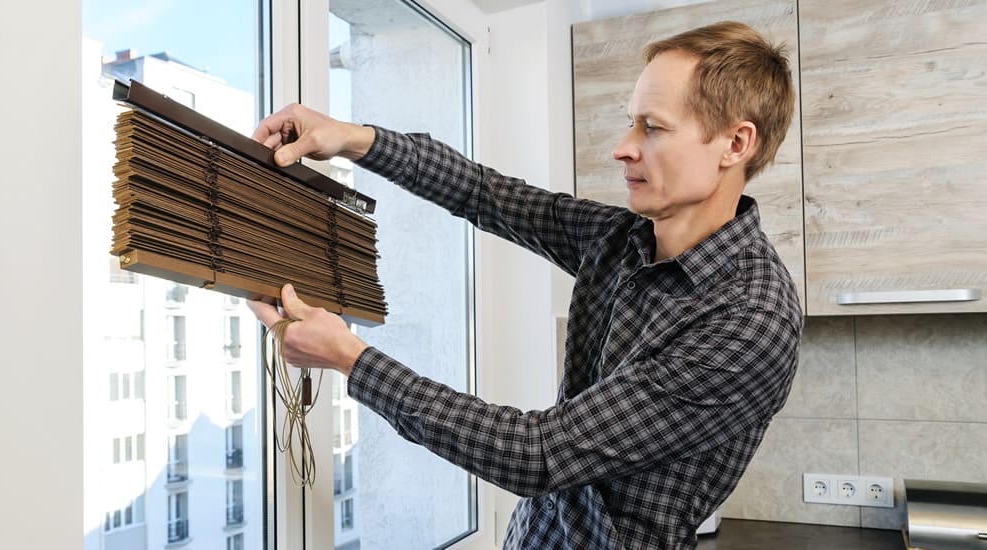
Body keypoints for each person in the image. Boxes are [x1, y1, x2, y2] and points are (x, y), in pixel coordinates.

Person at [248, 21, 802, 550]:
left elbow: (538, 455)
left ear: (736, 144)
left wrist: (351, 359)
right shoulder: (622, 239)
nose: (623, 147)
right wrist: (352, 138)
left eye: (652, 127)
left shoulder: (750, 320)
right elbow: (484, 194)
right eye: (632, 122)